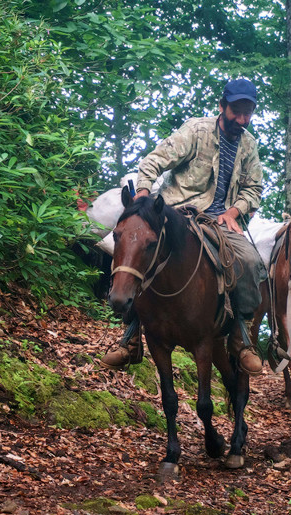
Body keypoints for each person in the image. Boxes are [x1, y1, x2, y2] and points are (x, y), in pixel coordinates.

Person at [101, 78, 266, 375]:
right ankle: (130, 336)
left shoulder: (249, 145)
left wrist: (234, 210)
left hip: (219, 222)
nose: (241, 119)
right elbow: (154, 161)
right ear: (222, 106)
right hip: (177, 214)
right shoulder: (196, 130)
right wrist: (142, 193)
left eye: (247, 113)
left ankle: (241, 335)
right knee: (140, 251)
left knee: (252, 261)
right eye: (236, 111)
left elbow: (253, 188)